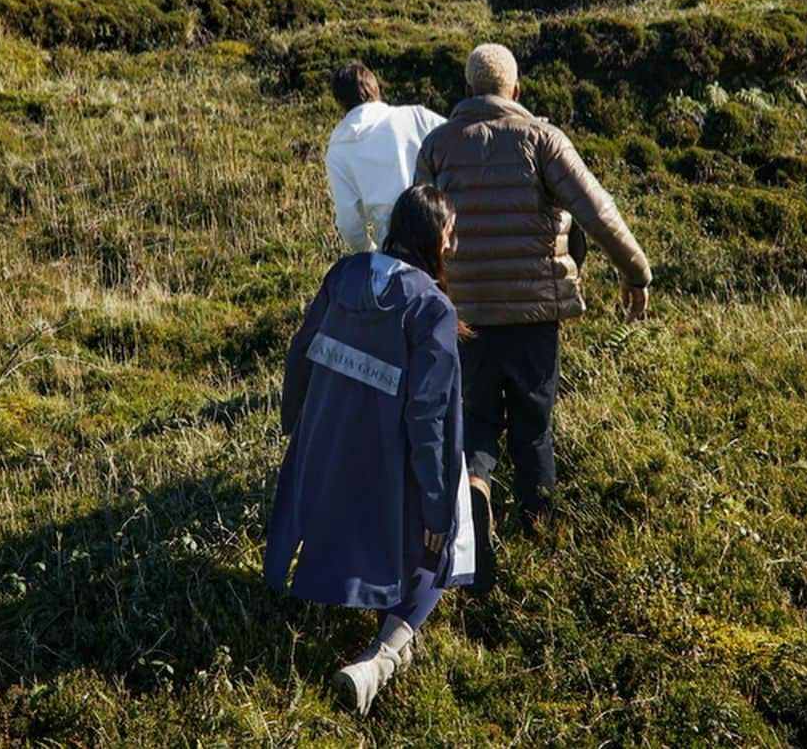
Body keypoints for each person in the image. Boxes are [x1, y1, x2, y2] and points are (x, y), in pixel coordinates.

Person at [415, 42, 651, 589]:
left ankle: (476, 486)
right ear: (515, 91)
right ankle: (539, 530)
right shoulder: (542, 139)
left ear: (469, 89)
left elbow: (420, 226)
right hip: (533, 315)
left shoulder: (437, 145)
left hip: (464, 314)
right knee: (533, 425)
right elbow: (599, 213)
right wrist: (636, 274)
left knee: (475, 422)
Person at [264, 185, 475, 715]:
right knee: (441, 553)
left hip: (326, 443)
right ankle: (379, 660)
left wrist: (297, 426)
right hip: (383, 463)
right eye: (452, 233)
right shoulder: (431, 309)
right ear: (436, 238)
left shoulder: (345, 274)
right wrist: (434, 505)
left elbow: (301, 349)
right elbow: (427, 419)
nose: (455, 244)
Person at [325, 63, 445, 252]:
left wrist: (370, 251)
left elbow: (349, 224)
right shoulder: (415, 116)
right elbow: (458, 139)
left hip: (393, 246)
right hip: (440, 229)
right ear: (376, 89)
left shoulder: (338, 149)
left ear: (340, 101)